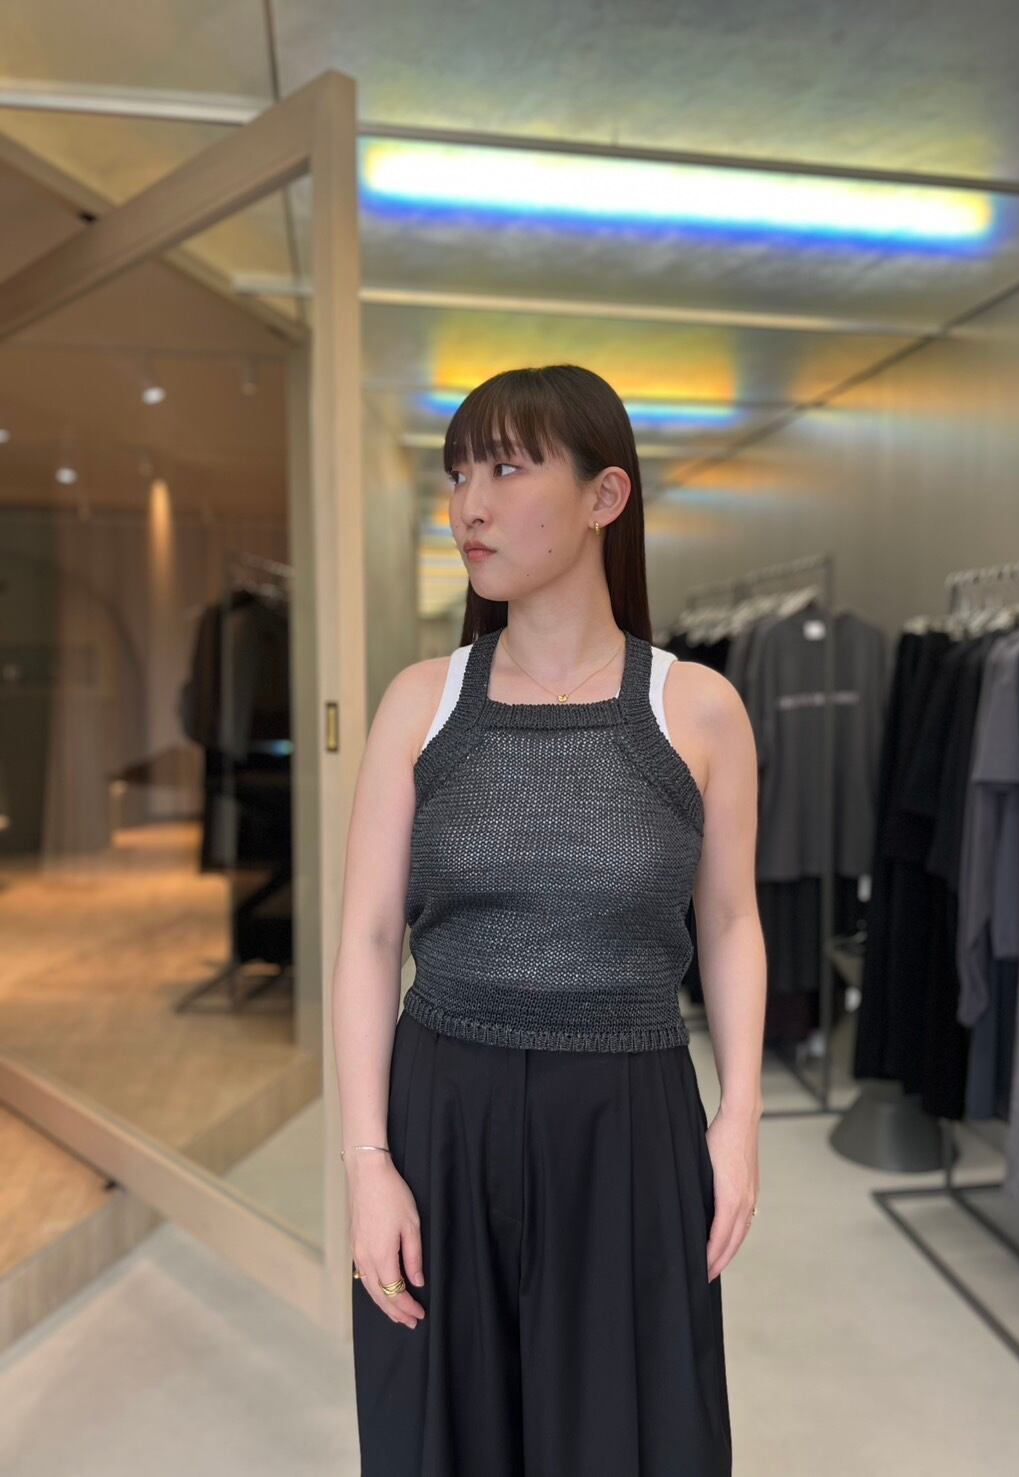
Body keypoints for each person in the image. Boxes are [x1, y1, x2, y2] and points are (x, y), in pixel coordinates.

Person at [332, 363, 766, 1475]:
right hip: (444, 1112)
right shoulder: (421, 701)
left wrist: (741, 1116)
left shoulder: (698, 709)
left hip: (629, 1118)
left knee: (631, 1431)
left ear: (604, 496)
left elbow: (729, 921)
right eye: (457, 475)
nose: (468, 505)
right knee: (445, 1433)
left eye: (506, 469)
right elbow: (370, 937)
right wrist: (367, 1160)